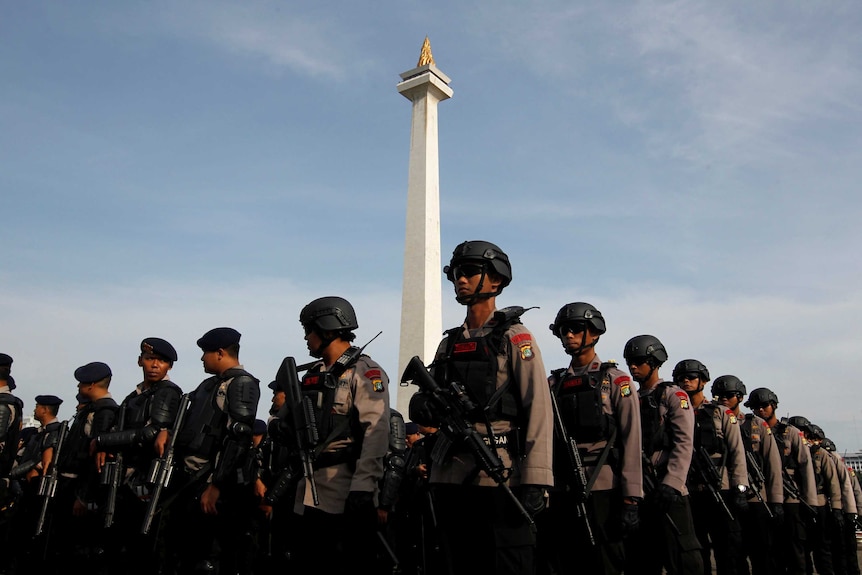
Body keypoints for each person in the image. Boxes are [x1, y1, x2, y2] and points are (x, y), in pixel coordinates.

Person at [407, 240, 554, 575]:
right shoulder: (449, 344)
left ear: (496, 281)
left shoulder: (515, 337)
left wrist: (537, 479)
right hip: (450, 475)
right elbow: (430, 399)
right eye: (457, 272)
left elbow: (538, 409)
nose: (461, 279)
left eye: (471, 272)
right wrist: (424, 405)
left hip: (498, 474)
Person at [268, 296, 391, 573]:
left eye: (308, 330)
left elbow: (376, 432)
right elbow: (283, 423)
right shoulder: (311, 375)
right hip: (306, 490)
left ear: (326, 329)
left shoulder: (365, 371)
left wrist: (363, 487)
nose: (306, 338)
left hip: (344, 490)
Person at [537, 302, 642, 575]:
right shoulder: (553, 384)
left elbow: (631, 441)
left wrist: (631, 496)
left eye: (575, 329)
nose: (568, 335)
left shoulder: (617, 382)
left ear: (594, 333)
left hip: (604, 487)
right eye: (563, 331)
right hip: (563, 488)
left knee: (606, 562)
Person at [165, 327, 260, 574]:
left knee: (210, 559)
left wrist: (216, 485)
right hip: (189, 481)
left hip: (213, 485)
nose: (201, 358)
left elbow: (238, 438)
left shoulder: (241, 384)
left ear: (220, 353)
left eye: (205, 353)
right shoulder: (208, 386)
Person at [93, 337, 184, 574]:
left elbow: (152, 432)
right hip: (125, 480)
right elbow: (120, 429)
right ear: (140, 361)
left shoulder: (167, 392)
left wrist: (103, 441)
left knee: (144, 551)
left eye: (162, 361)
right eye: (150, 358)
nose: (155, 365)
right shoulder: (133, 398)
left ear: (169, 367)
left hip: (147, 481)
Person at [622, 335, 703, 575]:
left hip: (668, 490)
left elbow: (683, 443)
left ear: (655, 362)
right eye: (630, 362)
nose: (633, 367)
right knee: (642, 559)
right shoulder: (631, 399)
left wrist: (672, 483)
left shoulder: (672, 396)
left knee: (683, 558)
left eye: (639, 361)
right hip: (640, 490)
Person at [674, 361, 749, 575]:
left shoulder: (721, 413)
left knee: (728, 550)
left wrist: (740, 488)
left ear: (703, 381)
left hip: (720, 488)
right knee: (697, 550)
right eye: (681, 378)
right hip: (690, 490)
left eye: (691, 377)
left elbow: (736, 453)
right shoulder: (677, 412)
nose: (685, 381)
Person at [712, 375, 784, 575]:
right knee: (733, 552)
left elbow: (773, 465)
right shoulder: (713, 421)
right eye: (720, 395)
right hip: (730, 495)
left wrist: (776, 501)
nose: (724, 399)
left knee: (762, 551)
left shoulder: (757, 424)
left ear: (740, 398)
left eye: (730, 395)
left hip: (756, 497)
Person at [744, 388, 818, 575]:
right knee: (768, 548)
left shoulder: (790, 432)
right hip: (764, 496)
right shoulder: (751, 429)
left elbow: (805, 467)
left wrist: (811, 501)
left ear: (774, 406)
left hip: (790, 498)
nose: (760, 410)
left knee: (795, 548)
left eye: (764, 406)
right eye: (756, 407)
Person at [54, 361, 119, 572]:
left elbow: (96, 461)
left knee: (78, 549)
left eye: (81, 384)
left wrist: (84, 496)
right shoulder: (90, 410)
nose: (78, 389)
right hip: (70, 482)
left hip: (81, 486)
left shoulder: (104, 412)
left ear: (91, 385)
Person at [3, 394, 64, 573]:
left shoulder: (56, 431)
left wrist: (13, 474)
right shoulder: (35, 433)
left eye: (38, 406)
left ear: (45, 409)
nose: (35, 409)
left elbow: (42, 461)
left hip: (35, 486)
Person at [787, 418, 840, 575]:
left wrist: (837, 508)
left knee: (822, 549)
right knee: (800, 548)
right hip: (797, 503)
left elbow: (833, 483)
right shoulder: (789, 453)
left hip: (819, 504)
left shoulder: (820, 454)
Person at [821, 437, 857, 575]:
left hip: (843, 510)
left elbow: (848, 487)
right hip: (841, 509)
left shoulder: (833, 459)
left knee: (845, 550)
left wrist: (851, 512)